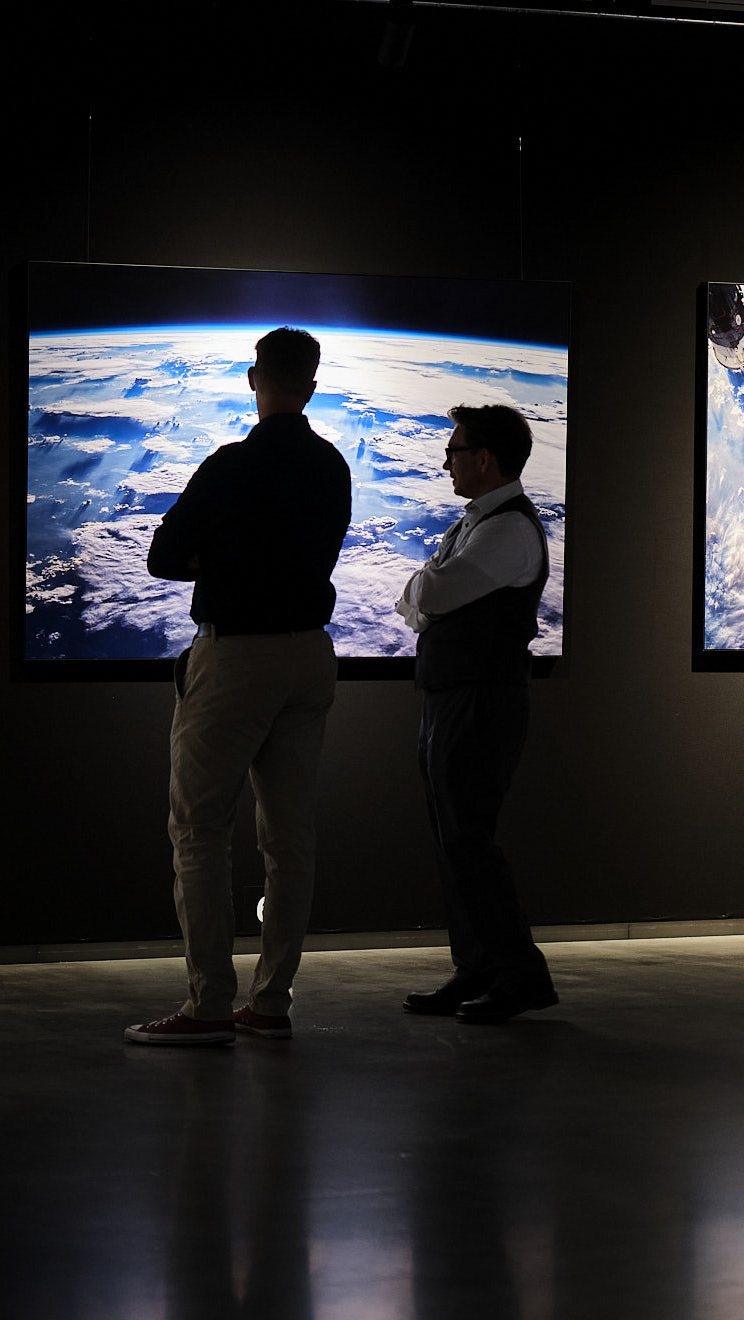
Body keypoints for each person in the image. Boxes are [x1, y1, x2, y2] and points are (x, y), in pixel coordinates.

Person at [125, 327, 352, 1045]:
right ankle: (271, 1002)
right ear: (312, 386)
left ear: (255, 379)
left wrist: (223, 563)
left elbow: (164, 557)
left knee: (199, 830)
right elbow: (313, 556)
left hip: (236, 663)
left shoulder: (229, 466)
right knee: (289, 838)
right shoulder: (332, 467)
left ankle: (209, 1006)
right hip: (311, 658)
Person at [395, 404, 558, 1024]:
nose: (445, 461)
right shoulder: (479, 522)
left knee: (469, 840)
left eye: (455, 450)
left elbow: (428, 594)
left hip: (480, 700)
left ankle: (521, 974)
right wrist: (426, 589)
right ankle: (479, 967)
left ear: (484, 459)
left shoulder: (508, 529)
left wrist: (425, 586)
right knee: (452, 840)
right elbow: (422, 602)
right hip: (453, 696)